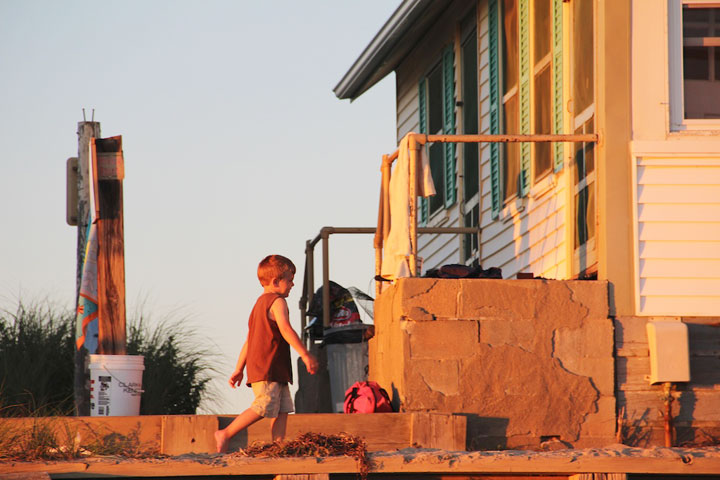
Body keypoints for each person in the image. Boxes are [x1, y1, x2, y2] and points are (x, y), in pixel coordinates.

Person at [214, 255, 319, 453]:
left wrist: (239, 368)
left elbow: (249, 341)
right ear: (276, 282)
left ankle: (278, 446)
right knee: (265, 404)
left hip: (276, 368)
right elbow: (286, 330)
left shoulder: (257, 306)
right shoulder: (276, 302)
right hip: (267, 366)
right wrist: (304, 354)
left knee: (282, 408)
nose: (293, 284)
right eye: (290, 279)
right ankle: (226, 433)